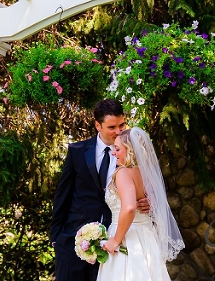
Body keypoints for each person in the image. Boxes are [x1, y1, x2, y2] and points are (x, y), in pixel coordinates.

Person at [51, 99, 130, 281]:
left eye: (122, 125)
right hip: (73, 241)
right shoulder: (77, 151)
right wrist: (57, 238)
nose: (118, 132)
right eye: (112, 127)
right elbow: (62, 195)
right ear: (97, 125)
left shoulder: (131, 155)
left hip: (111, 243)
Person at [98, 127, 185, 281]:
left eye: (117, 149)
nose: (113, 153)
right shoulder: (145, 174)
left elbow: (130, 207)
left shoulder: (123, 173)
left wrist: (116, 241)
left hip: (127, 237)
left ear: (130, 150)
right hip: (146, 237)